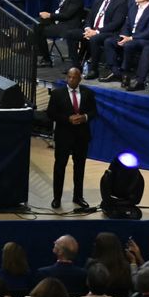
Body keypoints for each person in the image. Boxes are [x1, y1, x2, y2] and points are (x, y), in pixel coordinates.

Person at [47, 67, 95, 211]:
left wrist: (84, 117)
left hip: (81, 136)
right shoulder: (57, 94)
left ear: (80, 78)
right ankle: (57, 198)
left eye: (74, 77)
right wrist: (67, 119)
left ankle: (78, 196)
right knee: (60, 167)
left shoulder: (88, 93)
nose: (71, 80)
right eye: (69, 77)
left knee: (79, 167)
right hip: (64, 136)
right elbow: (51, 113)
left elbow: (94, 111)